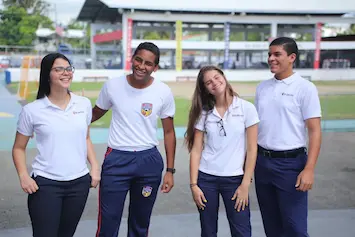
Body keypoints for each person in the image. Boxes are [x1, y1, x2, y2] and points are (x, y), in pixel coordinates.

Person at [92, 42, 176, 237]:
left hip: (148, 162)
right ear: (132, 58)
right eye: (138, 59)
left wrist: (170, 171)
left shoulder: (163, 91)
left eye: (148, 63)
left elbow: (169, 133)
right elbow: (95, 113)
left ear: (155, 68)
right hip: (116, 160)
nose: (141, 66)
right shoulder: (112, 86)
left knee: (140, 223)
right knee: (107, 223)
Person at [12, 53, 100, 237]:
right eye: (58, 69)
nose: (66, 73)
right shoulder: (32, 110)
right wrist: (23, 176)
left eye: (68, 68)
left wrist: (95, 167)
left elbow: (86, 138)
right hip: (45, 185)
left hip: (79, 184)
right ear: (47, 74)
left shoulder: (83, 104)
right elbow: (18, 148)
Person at [254, 37, 322, 237]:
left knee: (295, 228)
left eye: (277, 54)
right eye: (269, 54)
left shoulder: (305, 88)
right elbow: (256, 128)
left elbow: (315, 131)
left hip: (290, 165)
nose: (271, 59)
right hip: (262, 163)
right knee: (271, 225)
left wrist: (309, 169)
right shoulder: (262, 88)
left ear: (292, 57)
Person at [185, 66, 259, 237]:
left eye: (217, 78)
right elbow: (196, 150)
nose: (215, 83)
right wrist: (194, 185)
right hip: (206, 179)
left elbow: (252, 149)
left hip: (235, 180)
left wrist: (245, 184)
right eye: (208, 82)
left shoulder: (246, 109)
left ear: (224, 78)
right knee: (208, 231)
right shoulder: (203, 113)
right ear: (205, 89)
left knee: (242, 231)